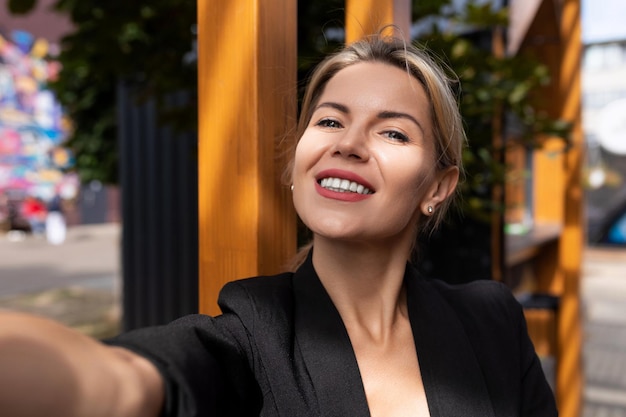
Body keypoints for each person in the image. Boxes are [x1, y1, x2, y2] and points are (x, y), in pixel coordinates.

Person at [0, 34, 557, 417]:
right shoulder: (249, 334)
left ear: (437, 187)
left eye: (392, 132)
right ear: (295, 165)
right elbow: (119, 382)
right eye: (331, 120)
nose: (347, 143)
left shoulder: (492, 319)